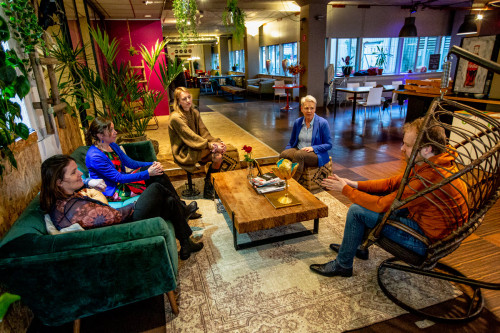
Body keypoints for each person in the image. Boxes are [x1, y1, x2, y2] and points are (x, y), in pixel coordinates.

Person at [310, 118, 468, 277]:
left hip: (426, 243)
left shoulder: (430, 178)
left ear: (426, 149)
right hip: (425, 222)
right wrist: (354, 184)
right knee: (373, 198)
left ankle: (342, 265)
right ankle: (357, 246)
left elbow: (381, 205)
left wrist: (345, 190)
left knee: (357, 211)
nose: (401, 148)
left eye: (407, 145)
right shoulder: (435, 161)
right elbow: (392, 183)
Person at [40, 155, 203, 260]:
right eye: (74, 172)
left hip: (121, 223)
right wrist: (136, 205)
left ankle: (185, 242)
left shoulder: (64, 199)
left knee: (168, 202)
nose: (80, 174)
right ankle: (184, 211)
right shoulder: (74, 209)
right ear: (59, 182)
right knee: (155, 188)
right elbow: (116, 215)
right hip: (126, 228)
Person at [85, 117, 201, 220]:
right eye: (111, 130)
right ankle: (183, 209)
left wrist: (153, 163)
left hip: (122, 183)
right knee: (157, 179)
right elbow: (118, 178)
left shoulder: (112, 145)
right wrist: (148, 173)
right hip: (115, 191)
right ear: (100, 135)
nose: (115, 132)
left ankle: (182, 209)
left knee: (158, 174)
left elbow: (130, 163)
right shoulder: (95, 156)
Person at [168, 86, 227, 199]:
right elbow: (191, 137)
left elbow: (204, 132)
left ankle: (209, 186)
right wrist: (212, 146)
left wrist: (218, 142)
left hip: (196, 146)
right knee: (216, 150)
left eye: (189, 97)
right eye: (184, 99)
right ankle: (209, 186)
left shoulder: (194, 112)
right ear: (178, 101)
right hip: (184, 151)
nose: (188, 101)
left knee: (218, 157)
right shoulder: (175, 117)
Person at [280, 95, 332, 180]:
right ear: (301, 109)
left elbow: (329, 145)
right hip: (299, 149)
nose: (309, 111)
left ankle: (294, 182)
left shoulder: (323, 123)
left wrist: (313, 148)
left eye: (312, 108)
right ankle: (282, 178)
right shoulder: (298, 122)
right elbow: (292, 141)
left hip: (316, 154)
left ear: (315, 109)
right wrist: (287, 150)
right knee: (283, 154)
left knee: (299, 155)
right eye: (306, 108)